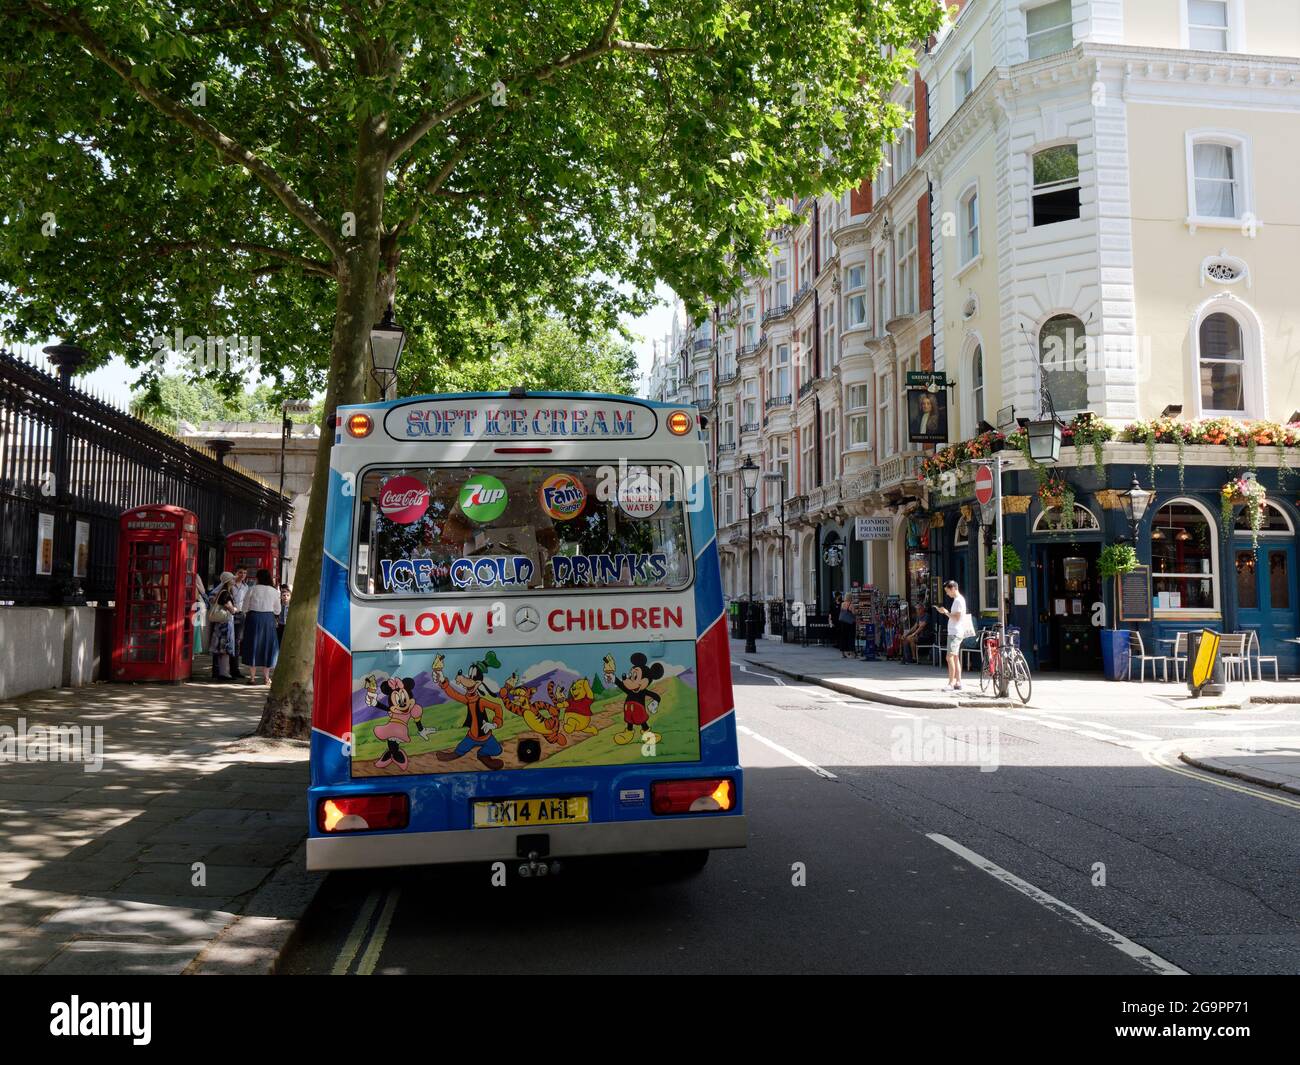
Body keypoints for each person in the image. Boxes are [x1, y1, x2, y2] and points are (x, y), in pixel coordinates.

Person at [240, 568, 281, 685]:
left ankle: (252, 678)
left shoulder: (252, 589)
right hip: (268, 619)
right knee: (267, 645)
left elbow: (244, 608)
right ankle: (266, 678)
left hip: (253, 618)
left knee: (253, 644)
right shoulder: (274, 591)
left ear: (258, 578)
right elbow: (278, 610)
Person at [936, 579, 976, 691]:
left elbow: (957, 617)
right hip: (956, 631)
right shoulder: (958, 600)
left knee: (949, 657)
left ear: (953, 588)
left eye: (947, 591)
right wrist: (946, 612)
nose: (947, 593)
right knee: (955, 657)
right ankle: (958, 682)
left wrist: (945, 612)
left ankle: (951, 683)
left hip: (955, 632)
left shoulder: (958, 601)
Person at [208, 572, 238, 682]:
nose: (234, 580)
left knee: (222, 650)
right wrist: (235, 609)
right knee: (225, 649)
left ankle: (222, 672)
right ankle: (225, 673)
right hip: (225, 624)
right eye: (232, 579)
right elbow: (230, 608)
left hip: (220, 624)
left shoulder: (222, 592)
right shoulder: (226, 593)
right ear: (227, 581)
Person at [229, 567, 250, 679]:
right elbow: (214, 594)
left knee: (237, 642)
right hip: (229, 615)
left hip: (241, 615)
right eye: (240, 572)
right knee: (227, 641)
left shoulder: (246, 587)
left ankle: (235, 669)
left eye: (245, 573)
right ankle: (219, 670)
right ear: (235, 573)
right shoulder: (229, 585)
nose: (242, 575)